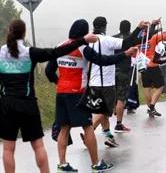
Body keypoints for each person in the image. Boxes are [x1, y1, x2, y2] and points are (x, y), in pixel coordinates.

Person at [0, 19, 98, 173]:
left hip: (6, 105)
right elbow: (56, 52)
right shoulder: (29, 52)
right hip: (28, 104)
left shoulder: (1, 53)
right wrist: (82, 41)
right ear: (24, 33)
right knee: (38, 146)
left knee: (8, 149)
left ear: (9, 33)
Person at [45, 19, 136, 172]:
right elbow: (104, 60)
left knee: (64, 128)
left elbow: (49, 71)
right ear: (83, 33)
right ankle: (96, 164)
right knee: (88, 127)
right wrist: (125, 54)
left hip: (61, 93)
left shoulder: (60, 46)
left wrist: (59, 83)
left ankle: (62, 164)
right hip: (78, 94)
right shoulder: (83, 48)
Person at [89, 16, 149, 148]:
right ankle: (89, 132)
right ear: (104, 26)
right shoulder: (106, 40)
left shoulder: (87, 41)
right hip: (106, 83)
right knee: (105, 110)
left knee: (101, 110)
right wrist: (138, 28)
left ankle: (108, 136)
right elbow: (126, 43)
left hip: (92, 82)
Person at [112, 20, 133, 133]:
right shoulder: (130, 39)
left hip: (112, 69)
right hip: (124, 70)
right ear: (129, 28)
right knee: (121, 98)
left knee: (113, 94)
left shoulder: (113, 38)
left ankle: (114, 111)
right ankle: (119, 124)